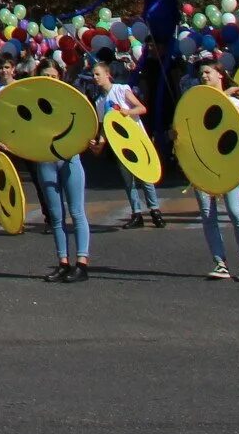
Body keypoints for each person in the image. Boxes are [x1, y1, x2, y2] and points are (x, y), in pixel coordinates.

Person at [190, 61, 239, 282]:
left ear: (220, 75)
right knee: (208, 217)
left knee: (236, 212)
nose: (204, 77)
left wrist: (223, 97)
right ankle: (219, 263)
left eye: (208, 72)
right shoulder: (196, 102)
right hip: (202, 166)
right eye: (201, 74)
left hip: (227, 166)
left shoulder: (234, 102)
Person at [28, 62, 92, 283]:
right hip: (45, 161)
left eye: (54, 76)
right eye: (46, 76)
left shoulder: (69, 98)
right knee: (56, 216)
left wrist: (90, 141)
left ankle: (82, 264)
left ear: (60, 76)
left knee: (76, 211)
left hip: (69, 159)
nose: (51, 80)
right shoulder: (32, 102)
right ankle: (63, 262)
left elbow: (85, 122)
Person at [89, 61, 163, 229]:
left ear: (107, 74)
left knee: (145, 177)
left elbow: (141, 108)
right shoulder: (100, 101)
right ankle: (136, 213)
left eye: (97, 74)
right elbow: (104, 127)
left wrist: (127, 112)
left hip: (136, 139)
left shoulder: (121, 90)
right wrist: (100, 145)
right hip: (120, 145)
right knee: (128, 181)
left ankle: (155, 211)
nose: (95, 77)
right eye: (93, 75)